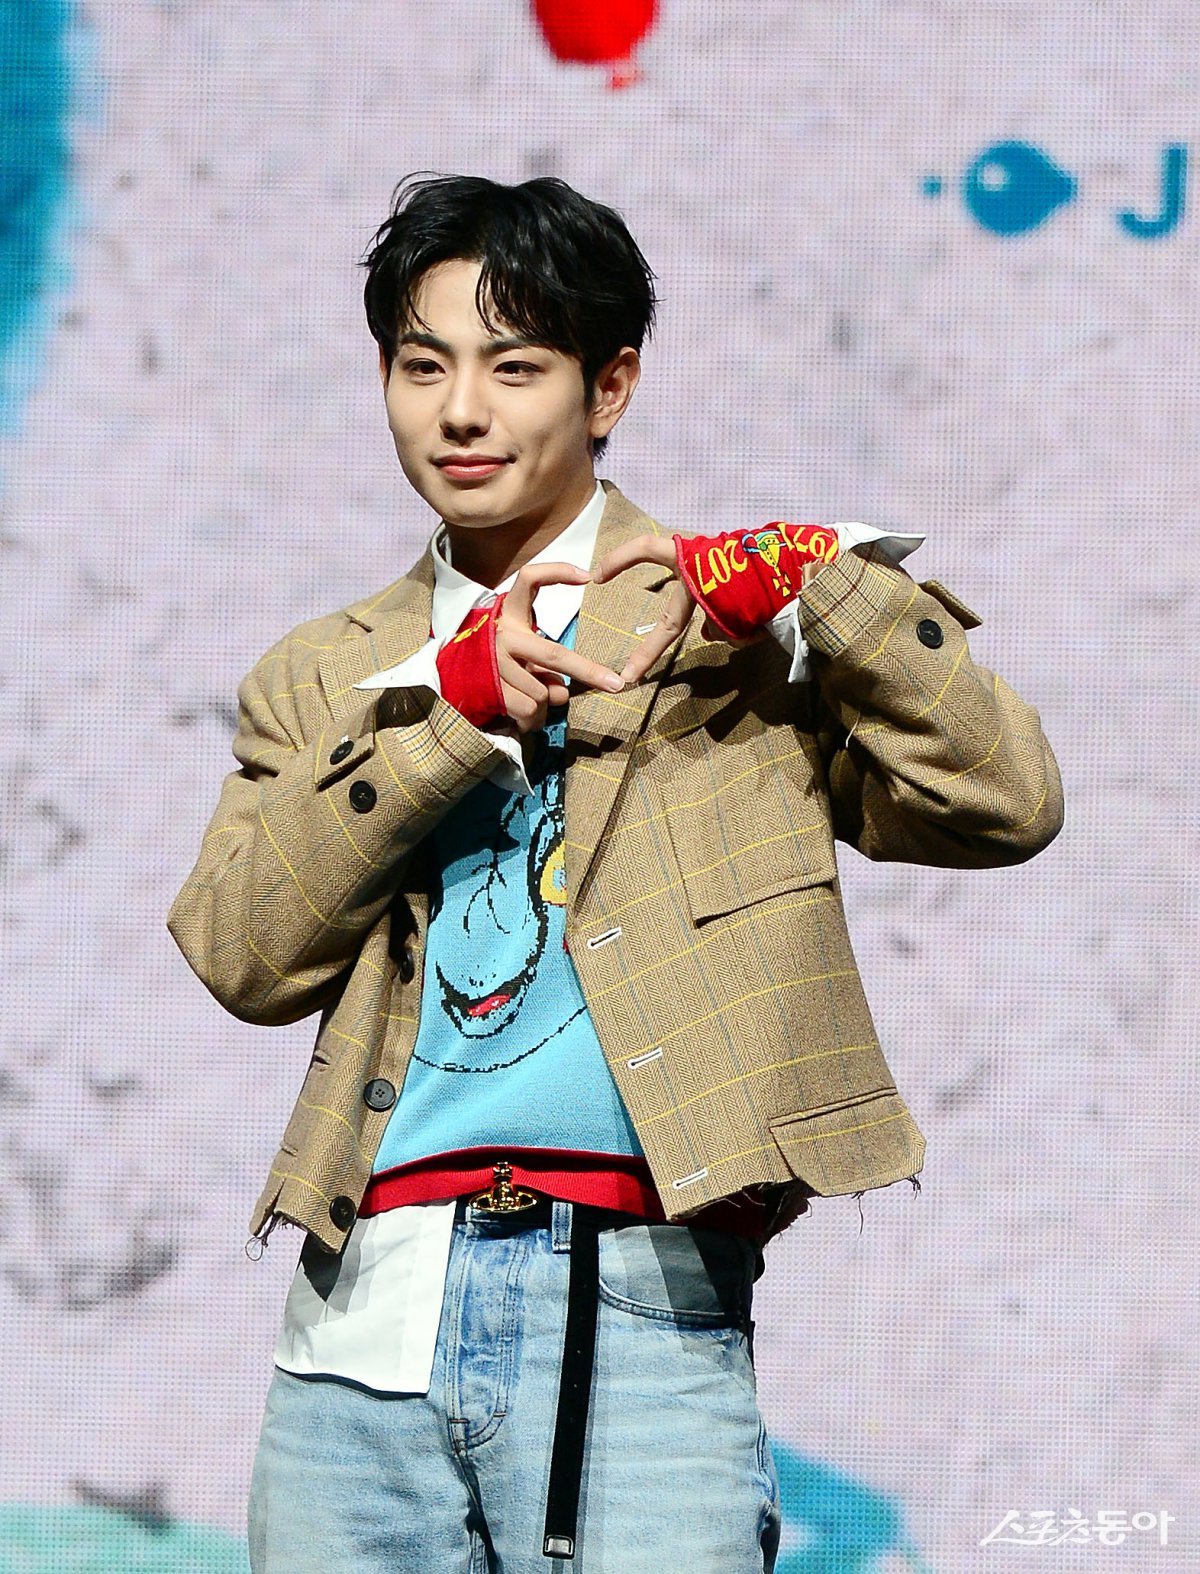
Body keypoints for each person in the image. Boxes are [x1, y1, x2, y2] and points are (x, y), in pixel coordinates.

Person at [167, 173, 1064, 1573]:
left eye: (515, 367)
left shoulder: (729, 626)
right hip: (358, 1331)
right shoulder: (330, 670)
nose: (461, 412)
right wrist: (449, 719)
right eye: (422, 366)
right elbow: (239, 951)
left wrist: (828, 588)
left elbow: (1005, 801)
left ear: (611, 387)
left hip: (639, 1309)